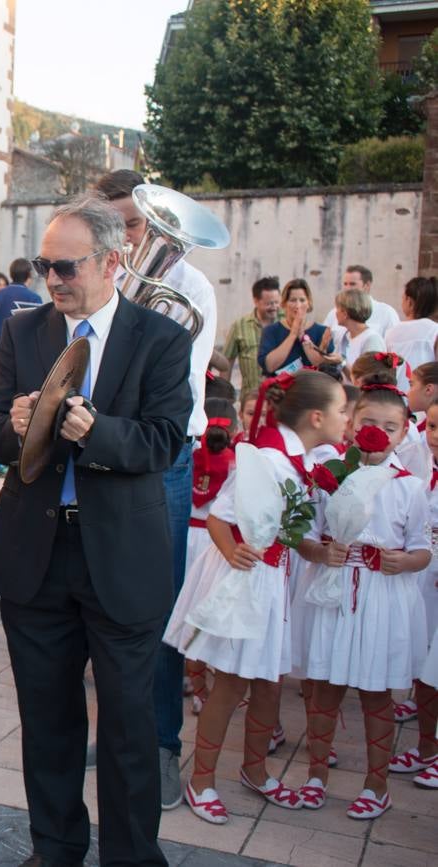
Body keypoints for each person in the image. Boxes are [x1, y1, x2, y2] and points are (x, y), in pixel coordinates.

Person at [0, 195, 192, 865]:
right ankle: (56, 849)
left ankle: (130, 857)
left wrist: (97, 432)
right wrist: (14, 428)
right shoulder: (23, 331)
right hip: (35, 556)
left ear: (111, 261)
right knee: (47, 721)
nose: (53, 279)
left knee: (128, 728)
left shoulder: (162, 338)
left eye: (65, 266)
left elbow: (162, 443)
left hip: (120, 559)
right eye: (45, 264)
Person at [167, 370, 347, 824]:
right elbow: (219, 520)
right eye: (343, 410)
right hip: (244, 582)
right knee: (229, 684)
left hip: (272, 582)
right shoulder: (267, 459)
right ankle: (202, 780)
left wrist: (317, 551)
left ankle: (255, 769)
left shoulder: (296, 460)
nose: (348, 418)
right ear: (316, 416)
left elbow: (289, 533)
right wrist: (236, 552)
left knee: (269, 683)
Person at [97, 168, 220, 811]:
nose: (126, 238)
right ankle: (121, 729)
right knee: (102, 590)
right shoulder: (98, 278)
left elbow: (172, 388)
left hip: (161, 455)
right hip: (100, 446)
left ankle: (164, 745)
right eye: (114, 226)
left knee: (158, 599)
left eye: (135, 226)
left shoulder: (190, 286)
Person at [299, 377, 431, 819]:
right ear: (352, 424)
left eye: (389, 427)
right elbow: (306, 537)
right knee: (325, 688)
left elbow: (422, 548)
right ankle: (316, 774)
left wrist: (405, 562)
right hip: (335, 590)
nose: (377, 433)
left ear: (403, 433)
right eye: (368, 422)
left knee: (376, 694)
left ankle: (377, 784)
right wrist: (319, 550)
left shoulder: (409, 487)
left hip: (379, 598)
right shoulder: (329, 476)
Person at [387, 399, 438, 787]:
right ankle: (426, 748)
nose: (434, 437)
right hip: (426, 579)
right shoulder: (425, 473)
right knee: (427, 669)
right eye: (432, 427)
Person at [180, 399, 240, 714]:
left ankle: (193, 683)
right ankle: (207, 688)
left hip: (187, 536)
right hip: (217, 541)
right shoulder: (236, 463)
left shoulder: (190, 455)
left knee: (185, 607)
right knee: (206, 613)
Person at [259, 279, 337, 375]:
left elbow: (324, 368)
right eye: (293, 300)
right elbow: (269, 366)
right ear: (284, 303)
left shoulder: (321, 331)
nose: (298, 305)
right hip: (279, 389)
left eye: (302, 300)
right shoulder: (271, 331)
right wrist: (293, 334)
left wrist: (303, 337)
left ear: (309, 303)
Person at [224, 276, 283, 396]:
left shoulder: (287, 323)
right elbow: (227, 362)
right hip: (251, 399)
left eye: (277, 302)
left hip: (282, 397)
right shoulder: (240, 326)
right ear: (256, 301)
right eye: (269, 303)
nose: (274, 307)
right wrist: (224, 394)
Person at [323, 265, 400, 348]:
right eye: (345, 284)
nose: (347, 288)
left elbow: (394, 352)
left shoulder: (387, 313)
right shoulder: (334, 313)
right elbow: (324, 345)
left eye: (352, 284)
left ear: (367, 285)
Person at [385, 276, 438, 389]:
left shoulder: (391, 332)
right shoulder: (434, 330)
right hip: (426, 395)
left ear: (410, 302)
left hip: (396, 396)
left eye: (403, 298)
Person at [0, 258, 42, 338]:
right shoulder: (34, 298)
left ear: (11, 274)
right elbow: (39, 330)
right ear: (29, 275)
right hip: (22, 348)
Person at [335, 288, 385, 372]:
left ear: (345, 314)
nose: (335, 313)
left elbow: (367, 377)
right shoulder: (345, 335)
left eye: (337, 308)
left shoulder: (372, 339)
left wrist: (342, 363)